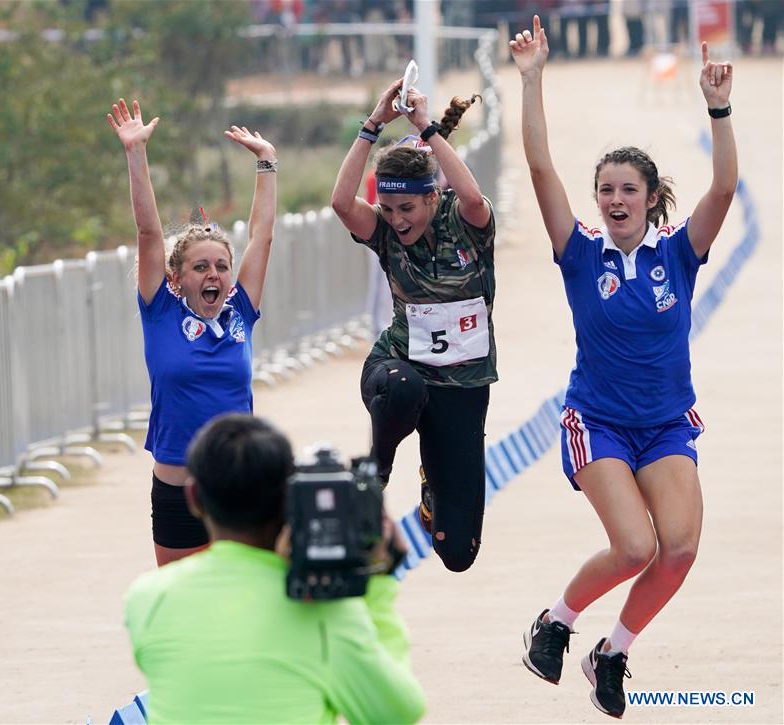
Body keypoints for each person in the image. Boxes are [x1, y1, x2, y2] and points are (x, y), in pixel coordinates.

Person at [510, 16, 737, 719]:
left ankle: (611, 652)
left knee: (679, 548)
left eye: (625, 190)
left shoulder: (677, 253)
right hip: (598, 421)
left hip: (666, 423)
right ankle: (553, 622)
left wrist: (717, 108)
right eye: (604, 189)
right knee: (634, 544)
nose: (613, 200)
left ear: (647, 196)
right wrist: (532, 78)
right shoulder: (580, 251)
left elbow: (724, 189)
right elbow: (542, 167)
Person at [124, 414, 427, 724]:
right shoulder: (322, 612)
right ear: (292, 497)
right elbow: (397, 713)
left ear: (194, 498)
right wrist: (378, 585)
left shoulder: (147, 598)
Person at [331, 77, 497, 573]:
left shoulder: (465, 222)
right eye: (387, 208)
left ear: (430, 198)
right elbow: (341, 204)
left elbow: (470, 194)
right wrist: (374, 123)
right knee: (403, 388)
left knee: (457, 553)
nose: (397, 220)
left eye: (406, 208)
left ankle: (432, 486)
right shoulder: (385, 235)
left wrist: (425, 126)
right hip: (400, 366)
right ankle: (374, 473)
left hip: (462, 386)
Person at [107, 98, 277, 566]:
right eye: (200, 267)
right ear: (176, 278)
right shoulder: (159, 311)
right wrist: (136, 153)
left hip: (239, 486)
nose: (215, 275)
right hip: (178, 489)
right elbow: (147, 233)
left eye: (222, 266)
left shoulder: (240, 311)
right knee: (186, 608)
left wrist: (267, 162)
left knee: (243, 607)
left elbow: (261, 236)